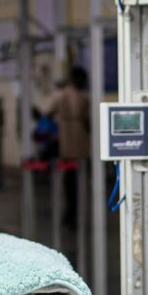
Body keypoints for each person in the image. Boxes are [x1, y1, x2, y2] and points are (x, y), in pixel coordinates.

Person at [38, 65, 91, 228]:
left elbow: (47, 115)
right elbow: (88, 123)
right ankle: (74, 213)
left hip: (66, 147)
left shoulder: (60, 96)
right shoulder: (83, 98)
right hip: (80, 146)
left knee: (69, 182)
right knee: (77, 182)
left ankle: (70, 213)